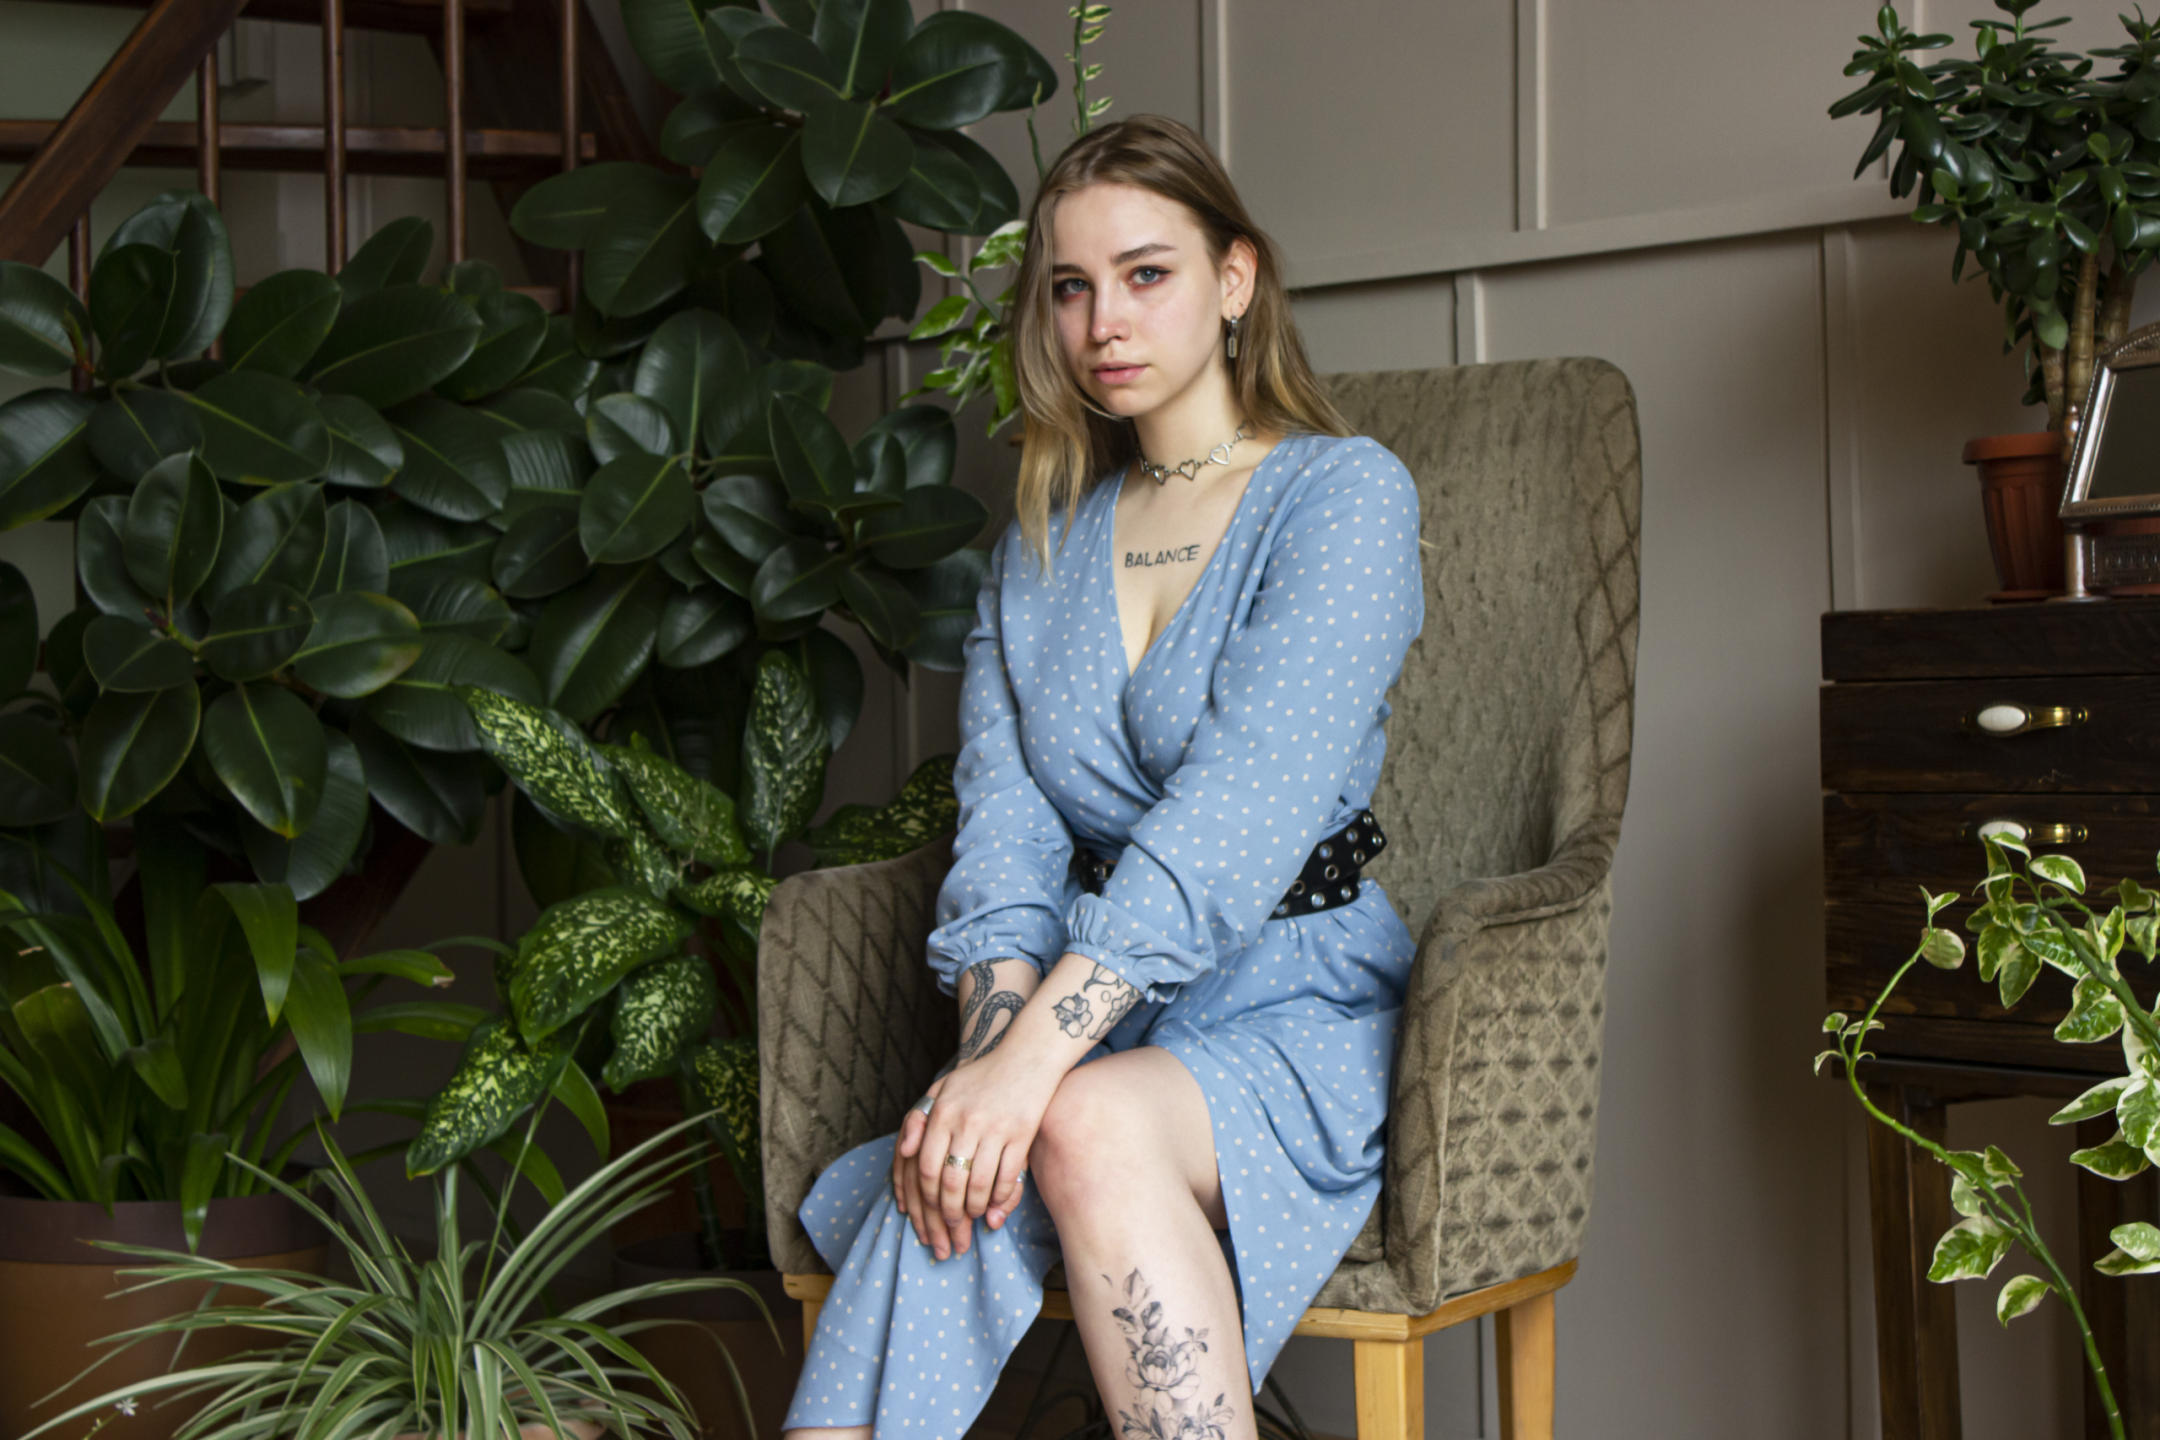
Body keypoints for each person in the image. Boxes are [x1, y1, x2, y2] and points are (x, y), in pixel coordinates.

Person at [781, 113, 1426, 1440]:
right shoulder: (1040, 545)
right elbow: (1004, 840)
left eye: (1146, 274)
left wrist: (1027, 1072)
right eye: (1071, 287)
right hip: (1092, 1026)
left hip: (1296, 1002)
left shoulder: (1343, 497)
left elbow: (1238, 816)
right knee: (957, 1162)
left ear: (1235, 279)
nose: (1103, 322)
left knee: (1068, 1122)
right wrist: (989, 1066)